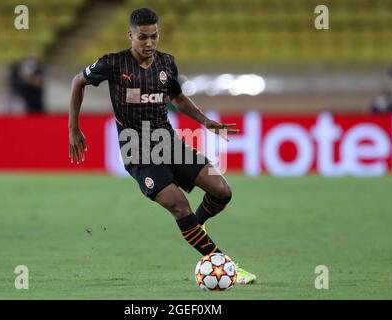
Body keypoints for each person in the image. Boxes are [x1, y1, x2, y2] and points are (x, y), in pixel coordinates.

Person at [68, 8, 256, 284]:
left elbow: (178, 99)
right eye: (142, 37)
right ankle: (223, 264)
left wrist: (205, 121)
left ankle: (195, 227)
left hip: (168, 141)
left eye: (154, 36)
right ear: (130, 35)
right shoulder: (113, 64)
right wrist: (74, 127)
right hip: (137, 150)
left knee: (222, 191)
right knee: (180, 206)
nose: (149, 43)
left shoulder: (167, 64)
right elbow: (77, 81)